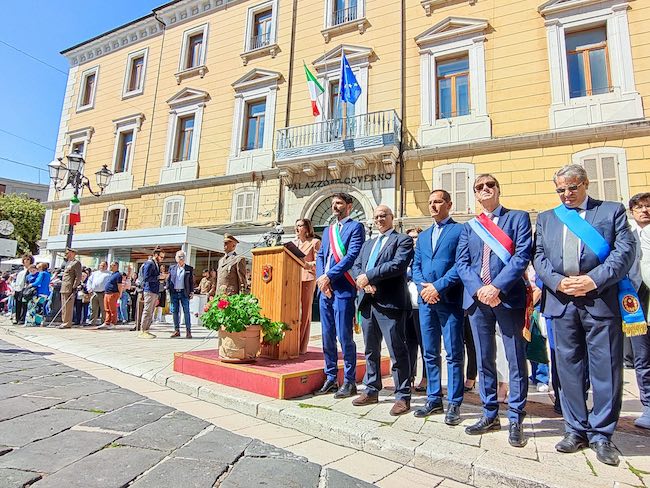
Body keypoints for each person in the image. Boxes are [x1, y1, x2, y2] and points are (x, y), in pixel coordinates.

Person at [534, 164, 635, 466]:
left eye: (572, 188)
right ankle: (575, 428)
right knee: (568, 369)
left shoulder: (611, 212)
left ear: (585, 184)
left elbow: (624, 252)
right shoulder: (547, 218)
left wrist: (593, 279)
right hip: (561, 302)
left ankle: (602, 434)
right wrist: (557, 281)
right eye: (561, 190)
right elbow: (539, 257)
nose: (566, 194)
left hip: (600, 300)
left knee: (606, 369)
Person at [456, 174, 532, 448]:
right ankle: (489, 414)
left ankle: (516, 418)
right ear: (475, 194)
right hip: (478, 300)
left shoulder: (518, 218)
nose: (485, 190)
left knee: (514, 358)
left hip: (507, 297)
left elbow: (522, 255)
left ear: (498, 189)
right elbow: (463, 263)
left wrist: (496, 287)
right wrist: (480, 290)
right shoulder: (470, 227)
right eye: (479, 187)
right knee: (485, 358)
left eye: (490, 185)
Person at [350, 205, 413, 415]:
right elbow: (357, 266)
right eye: (376, 217)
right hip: (368, 303)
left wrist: (370, 276)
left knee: (397, 352)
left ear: (391, 217)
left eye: (383, 215)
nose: (379, 219)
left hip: (391, 304)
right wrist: (364, 282)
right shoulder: (368, 244)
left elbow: (398, 265)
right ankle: (371, 389)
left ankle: (403, 396)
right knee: (370, 350)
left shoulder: (401, 240)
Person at [412, 190, 465, 424]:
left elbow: (461, 264)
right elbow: (416, 265)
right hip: (426, 302)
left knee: (453, 353)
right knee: (430, 352)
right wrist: (424, 288)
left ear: (449, 204)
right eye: (430, 202)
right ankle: (434, 398)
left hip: (449, 300)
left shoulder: (460, 230)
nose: (433, 206)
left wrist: (438, 287)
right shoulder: (423, 236)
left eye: (438, 202)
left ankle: (454, 402)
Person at [314, 192, 365, 398]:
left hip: (343, 288)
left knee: (345, 336)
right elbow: (320, 256)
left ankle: (350, 380)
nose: (335, 206)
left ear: (349, 206)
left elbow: (352, 256)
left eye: (339, 203)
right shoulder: (328, 230)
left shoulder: (356, 227)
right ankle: (331, 377)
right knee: (327, 336)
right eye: (333, 203)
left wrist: (329, 276)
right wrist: (321, 278)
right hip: (325, 290)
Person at [628, 192, 650, 430]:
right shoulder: (628, 237)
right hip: (635, 305)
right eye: (640, 207)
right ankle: (648, 406)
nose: (645, 210)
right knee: (642, 360)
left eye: (648, 206)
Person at [294, 218, 321, 354]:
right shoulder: (294, 243)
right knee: (294, 311)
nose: (298, 228)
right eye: (297, 226)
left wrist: (307, 264)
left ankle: (301, 345)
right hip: (293, 279)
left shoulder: (315, 242)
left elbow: (319, 262)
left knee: (305, 311)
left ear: (307, 228)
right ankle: (292, 341)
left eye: (301, 226)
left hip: (308, 278)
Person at [405, 227, 427, 392]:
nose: (413, 240)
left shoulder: (423, 256)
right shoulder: (404, 256)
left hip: (420, 305)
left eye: (416, 237)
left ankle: (426, 378)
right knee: (408, 342)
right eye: (410, 237)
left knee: (424, 343)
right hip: (406, 305)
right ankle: (409, 375)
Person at [167, 250, 195, 339]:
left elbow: (191, 281)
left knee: (186, 311)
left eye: (182, 256)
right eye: (179, 256)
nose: (181, 258)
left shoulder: (189, 269)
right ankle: (176, 330)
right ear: (176, 258)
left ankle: (188, 331)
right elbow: (169, 279)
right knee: (175, 312)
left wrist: (192, 291)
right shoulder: (172, 268)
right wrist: (168, 290)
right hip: (174, 292)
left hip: (184, 292)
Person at [139, 247, 165, 339]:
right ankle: (143, 330)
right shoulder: (149, 264)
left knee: (151, 311)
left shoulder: (156, 264)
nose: (162, 259)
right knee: (147, 311)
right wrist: (158, 277)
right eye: (161, 257)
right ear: (156, 255)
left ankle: (146, 329)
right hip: (149, 290)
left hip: (154, 290)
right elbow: (146, 278)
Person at [59, 248, 82, 329]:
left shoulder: (76, 263)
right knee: (64, 306)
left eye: (68, 253)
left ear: (72, 253)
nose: (66, 254)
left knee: (68, 306)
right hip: (64, 286)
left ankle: (67, 322)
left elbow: (78, 276)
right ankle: (64, 321)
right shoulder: (67, 263)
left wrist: (74, 286)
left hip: (69, 287)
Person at [86, 262, 110, 326]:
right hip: (94, 292)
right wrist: (89, 288)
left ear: (106, 266)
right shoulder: (95, 273)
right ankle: (92, 321)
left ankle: (103, 322)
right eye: (101, 265)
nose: (102, 266)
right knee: (93, 308)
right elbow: (89, 281)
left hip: (103, 293)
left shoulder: (109, 274)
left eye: (103, 265)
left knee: (103, 309)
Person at [99, 262, 122, 329]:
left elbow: (119, 285)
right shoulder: (112, 274)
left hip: (113, 293)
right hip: (107, 293)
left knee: (113, 310)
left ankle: (113, 323)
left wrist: (119, 294)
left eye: (112, 265)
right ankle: (107, 322)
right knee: (107, 309)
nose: (110, 267)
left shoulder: (118, 275)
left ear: (116, 266)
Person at [13, 254, 34, 325]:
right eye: (25, 259)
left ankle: (22, 319)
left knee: (24, 305)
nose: (26, 261)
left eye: (28, 259)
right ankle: (17, 318)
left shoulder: (31, 269)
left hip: (25, 289)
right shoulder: (20, 270)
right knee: (17, 304)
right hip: (18, 288)